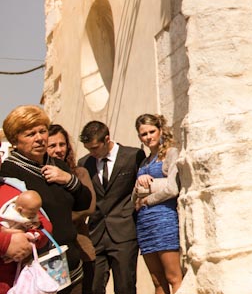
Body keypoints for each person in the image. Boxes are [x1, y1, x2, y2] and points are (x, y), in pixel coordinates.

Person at [1, 106, 91, 294]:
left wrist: (69, 180)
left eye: (43, 131)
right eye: (30, 134)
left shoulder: (57, 165)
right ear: (15, 140)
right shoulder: (9, 173)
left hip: (71, 266)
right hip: (36, 272)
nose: (39, 138)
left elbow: (84, 203)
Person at [78, 121, 145, 294]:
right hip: (96, 233)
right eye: (88, 149)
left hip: (124, 232)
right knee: (93, 287)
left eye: (94, 148)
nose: (91, 153)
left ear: (107, 139)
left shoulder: (133, 156)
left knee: (124, 287)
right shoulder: (84, 163)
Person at [132, 114, 181, 294]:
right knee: (157, 281)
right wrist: (140, 185)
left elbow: (172, 188)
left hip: (164, 219)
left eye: (152, 131)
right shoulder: (144, 161)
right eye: (144, 134)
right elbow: (134, 195)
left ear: (160, 130)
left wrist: (147, 198)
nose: (148, 137)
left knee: (173, 276)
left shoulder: (171, 153)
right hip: (145, 224)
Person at [48, 124, 97, 294]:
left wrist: (55, 218)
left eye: (62, 144)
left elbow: (88, 207)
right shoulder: (40, 177)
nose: (58, 150)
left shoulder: (79, 173)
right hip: (51, 256)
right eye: (52, 145)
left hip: (81, 250)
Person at [0, 180, 51, 294]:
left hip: (19, 284)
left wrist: (30, 239)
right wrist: (6, 242)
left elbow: (44, 225)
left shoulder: (13, 189)